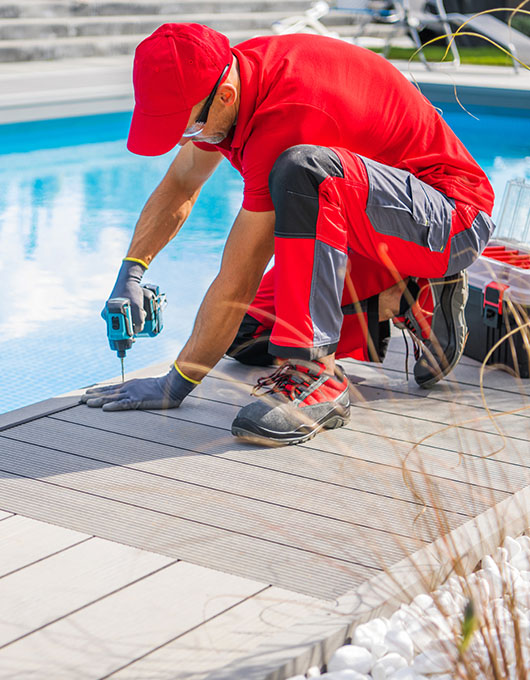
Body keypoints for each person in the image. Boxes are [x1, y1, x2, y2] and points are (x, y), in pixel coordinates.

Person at [81, 22, 495, 445]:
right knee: (247, 335)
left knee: (303, 172)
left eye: (188, 129)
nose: (188, 142)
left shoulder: (284, 118)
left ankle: (319, 380)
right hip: (377, 225)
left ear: (225, 97)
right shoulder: (229, 81)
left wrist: (176, 383)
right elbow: (181, 183)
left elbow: (236, 280)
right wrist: (130, 272)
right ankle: (405, 294)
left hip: (449, 221)